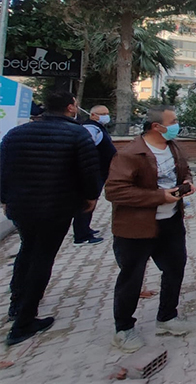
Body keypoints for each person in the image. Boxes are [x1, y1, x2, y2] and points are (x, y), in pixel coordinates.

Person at [1, 90, 102, 346]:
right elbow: (89, 172)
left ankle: (16, 303)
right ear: (71, 107)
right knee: (42, 257)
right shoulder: (77, 134)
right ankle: (25, 321)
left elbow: (3, 168)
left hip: (22, 207)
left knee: (27, 249)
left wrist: (5, 199)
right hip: (56, 208)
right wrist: (91, 198)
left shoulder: (16, 134)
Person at [105, 106, 196, 353]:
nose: (178, 124)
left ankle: (167, 317)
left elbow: (184, 169)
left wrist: (186, 182)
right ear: (157, 126)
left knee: (175, 269)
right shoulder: (131, 154)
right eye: (174, 121)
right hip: (136, 228)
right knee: (131, 277)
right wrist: (159, 197)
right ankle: (123, 329)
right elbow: (115, 191)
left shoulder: (173, 147)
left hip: (171, 223)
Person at [72, 104, 117, 245]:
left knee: (91, 201)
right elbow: (86, 149)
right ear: (93, 115)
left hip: (99, 171)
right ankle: (81, 235)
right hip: (94, 171)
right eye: (102, 113)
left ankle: (85, 228)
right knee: (87, 201)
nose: (106, 116)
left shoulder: (98, 128)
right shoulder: (91, 128)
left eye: (107, 112)